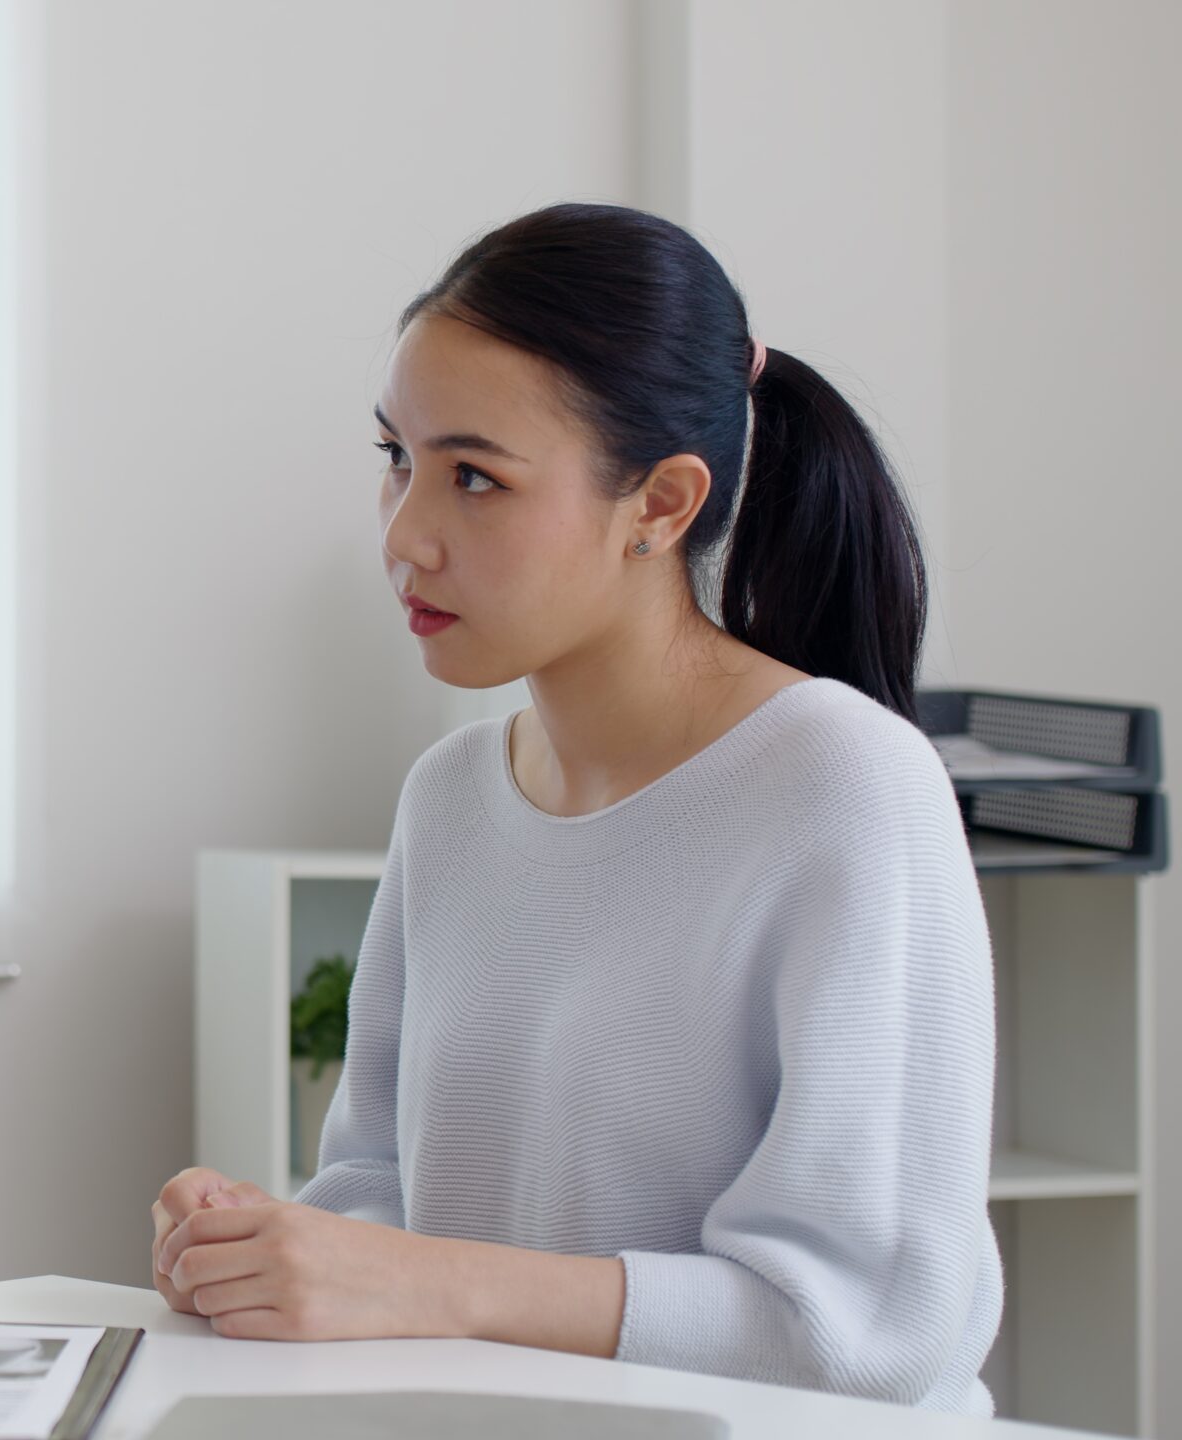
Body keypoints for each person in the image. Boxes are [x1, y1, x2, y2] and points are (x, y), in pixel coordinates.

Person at [151, 203, 1002, 1412]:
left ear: (659, 505)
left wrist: (426, 1284)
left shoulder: (846, 785)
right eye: (396, 457)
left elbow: (862, 1326)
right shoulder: (447, 799)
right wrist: (268, 1257)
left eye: (474, 480)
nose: (406, 535)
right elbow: (372, 1199)